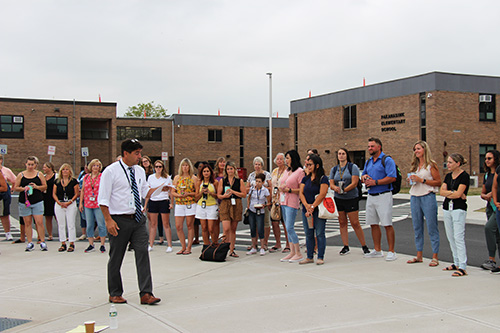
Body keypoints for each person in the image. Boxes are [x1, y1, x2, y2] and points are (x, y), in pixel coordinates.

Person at [98, 138, 160, 305]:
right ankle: (115, 292)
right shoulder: (110, 172)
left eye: (140, 153)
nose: (139, 156)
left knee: (142, 254)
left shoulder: (139, 171)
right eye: (136, 153)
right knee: (116, 257)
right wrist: (108, 220)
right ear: (126, 153)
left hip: (137, 219)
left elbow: (144, 191)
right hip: (118, 219)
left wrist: (162, 188)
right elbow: (103, 199)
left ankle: (146, 293)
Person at [361, 138, 397, 261]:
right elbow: (363, 175)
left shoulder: (387, 160)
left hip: (384, 195)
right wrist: (364, 177)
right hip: (371, 195)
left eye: (372, 146)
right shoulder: (368, 162)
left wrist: (376, 182)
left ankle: (392, 251)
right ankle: (377, 250)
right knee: (373, 224)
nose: (370, 148)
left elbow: (392, 177)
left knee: (387, 223)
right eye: (369, 146)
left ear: (379, 147)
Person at [407, 141, 442, 266]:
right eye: (415, 149)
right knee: (417, 227)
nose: (416, 151)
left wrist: (422, 180)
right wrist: (412, 179)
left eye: (418, 149)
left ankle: (435, 256)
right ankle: (419, 255)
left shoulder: (431, 165)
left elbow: (438, 181)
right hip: (415, 197)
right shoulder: (415, 166)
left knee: (432, 227)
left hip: (428, 196)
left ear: (424, 150)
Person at [329, 148, 370, 255]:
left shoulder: (353, 167)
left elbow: (355, 182)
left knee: (355, 222)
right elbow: (331, 183)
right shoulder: (334, 169)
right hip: (339, 198)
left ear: (346, 155)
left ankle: (364, 246)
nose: (341, 156)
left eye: (343, 154)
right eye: (339, 154)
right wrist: (335, 188)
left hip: (351, 197)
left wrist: (345, 190)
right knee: (342, 222)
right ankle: (345, 246)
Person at [439, 153, 470, 277]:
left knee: (458, 237)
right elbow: (441, 192)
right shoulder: (448, 176)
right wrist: (453, 192)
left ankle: (463, 266)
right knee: (450, 236)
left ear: (458, 163)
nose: (448, 164)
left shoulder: (464, 176)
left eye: (451, 162)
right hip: (447, 208)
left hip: (458, 209)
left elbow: (459, 195)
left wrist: (454, 193)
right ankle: (456, 262)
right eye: (448, 162)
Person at [298, 154, 329, 265]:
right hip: (307, 210)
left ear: (317, 165)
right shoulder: (305, 178)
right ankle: (309, 256)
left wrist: (312, 206)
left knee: (320, 233)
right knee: (309, 233)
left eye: (310, 164)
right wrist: (306, 205)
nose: (308, 166)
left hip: (318, 210)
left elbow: (322, 194)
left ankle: (320, 256)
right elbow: (301, 193)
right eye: (307, 164)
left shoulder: (323, 178)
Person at [14, 156, 48, 251]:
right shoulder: (21, 175)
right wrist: (24, 188)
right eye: (28, 164)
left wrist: (36, 187)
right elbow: (15, 187)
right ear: (25, 164)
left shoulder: (39, 174)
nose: (30, 166)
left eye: (32, 164)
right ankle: (29, 242)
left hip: (37, 201)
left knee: (39, 222)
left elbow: (45, 186)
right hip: (25, 202)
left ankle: (42, 241)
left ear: (35, 165)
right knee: (27, 222)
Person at [279, 150, 305, 263]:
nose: (286, 160)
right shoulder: (287, 170)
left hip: (292, 202)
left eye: (288, 158)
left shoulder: (300, 171)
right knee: (286, 227)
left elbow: (301, 189)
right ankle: (292, 251)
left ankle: (298, 252)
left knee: (290, 227)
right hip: (283, 201)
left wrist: (289, 190)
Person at [218, 161, 246, 257]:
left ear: (234, 169)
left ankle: (231, 249)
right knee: (226, 228)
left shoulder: (239, 181)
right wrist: (224, 195)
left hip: (236, 204)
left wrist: (233, 191)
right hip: (225, 203)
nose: (230, 170)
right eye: (228, 169)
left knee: (233, 229)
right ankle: (223, 248)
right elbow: (219, 195)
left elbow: (244, 194)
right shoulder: (223, 180)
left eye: (231, 168)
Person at [144, 160, 173, 253]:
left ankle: (169, 245)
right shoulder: (151, 178)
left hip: (163, 201)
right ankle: (151, 244)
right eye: (156, 167)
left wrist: (171, 202)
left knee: (166, 224)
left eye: (160, 167)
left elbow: (171, 191)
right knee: (153, 224)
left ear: (162, 168)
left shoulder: (167, 177)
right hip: (153, 201)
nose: (158, 168)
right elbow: (148, 192)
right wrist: (145, 205)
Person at [80, 159, 107, 253]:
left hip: (98, 203)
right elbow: (83, 190)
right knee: (89, 224)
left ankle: (102, 244)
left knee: (101, 224)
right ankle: (91, 244)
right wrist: (81, 203)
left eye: (98, 166)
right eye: (94, 165)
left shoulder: (102, 177)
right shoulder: (86, 177)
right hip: (88, 203)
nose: (96, 167)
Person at [171, 158, 198, 255]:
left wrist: (188, 194)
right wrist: (179, 195)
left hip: (190, 203)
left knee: (190, 225)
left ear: (189, 167)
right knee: (178, 226)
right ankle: (183, 246)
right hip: (179, 203)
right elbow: (173, 191)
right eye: (183, 165)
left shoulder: (193, 178)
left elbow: (197, 193)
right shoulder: (177, 178)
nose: (185, 167)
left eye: (186, 165)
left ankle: (189, 247)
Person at [479, 150, 500, 270]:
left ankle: (491, 259)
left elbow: (496, 188)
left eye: (489, 158)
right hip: (489, 207)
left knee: (489, 228)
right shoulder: (487, 175)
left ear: (496, 159)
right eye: (486, 158)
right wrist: (485, 196)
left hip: (496, 206)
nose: (486, 160)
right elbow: (483, 192)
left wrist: (493, 194)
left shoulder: (498, 173)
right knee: (496, 235)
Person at [246, 156, 272, 251]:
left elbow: (270, 188)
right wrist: (254, 187)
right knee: (254, 224)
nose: (257, 166)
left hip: (263, 203)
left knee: (265, 223)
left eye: (259, 164)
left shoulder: (267, 175)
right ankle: (254, 243)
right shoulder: (251, 175)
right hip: (253, 204)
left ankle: (264, 243)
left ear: (262, 165)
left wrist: (262, 188)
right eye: (256, 164)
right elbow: (247, 189)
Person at [53, 163, 79, 252]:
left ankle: (71, 243)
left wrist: (70, 202)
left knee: (71, 224)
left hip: (70, 204)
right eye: (63, 169)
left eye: (67, 169)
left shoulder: (73, 181)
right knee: (61, 224)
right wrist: (58, 202)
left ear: (70, 171)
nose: (65, 171)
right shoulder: (57, 181)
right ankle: (63, 243)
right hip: (60, 204)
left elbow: (76, 193)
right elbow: (54, 193)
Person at [270, 153, 290, 253]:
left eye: (281, 159)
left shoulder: (288, 171)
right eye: (277, 159)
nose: (279, 161)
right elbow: (271, 186)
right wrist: (270, 199)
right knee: (274, 221)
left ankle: (288, 244)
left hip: (284, 199)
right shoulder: (274, 171)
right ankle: (278, 243)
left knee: (285, 222)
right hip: (275, 199)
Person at [194, 164, 219, 245]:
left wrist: (210, 193)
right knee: (204, 228)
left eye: (208, 171)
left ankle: (214, 243)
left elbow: (218, 195)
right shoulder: (199, 182)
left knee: (211, 228)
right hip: (201, 206)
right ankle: (206, 245)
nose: (206, 173)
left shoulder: (215, 182)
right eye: (204, 171)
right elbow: (196, 197)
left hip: (212, 205)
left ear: (210, 172)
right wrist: (201, 192)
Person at [0, 154, 16, 241]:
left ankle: (8, 233)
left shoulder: (5, 171)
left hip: (3, 195)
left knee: (4, 214)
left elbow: (14, 180)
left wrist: (12, 189)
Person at [42, 162, 56, 241]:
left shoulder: (56, 176)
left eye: (45, 167)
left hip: (54, 198)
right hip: (46, 198)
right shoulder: (43, 177)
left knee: (57, 217)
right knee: (48, 217)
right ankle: (50, 234)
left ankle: (62, 233)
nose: (43, 169)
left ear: (50, 168)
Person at [76, 166, 89, 241]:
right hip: (81, 197)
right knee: (82, 216)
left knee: (92, 218)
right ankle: (84, 233)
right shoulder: (82, 174)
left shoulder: (93, 176)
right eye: (85, 167)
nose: (86, 169)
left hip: (90, 199)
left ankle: (91, 234)